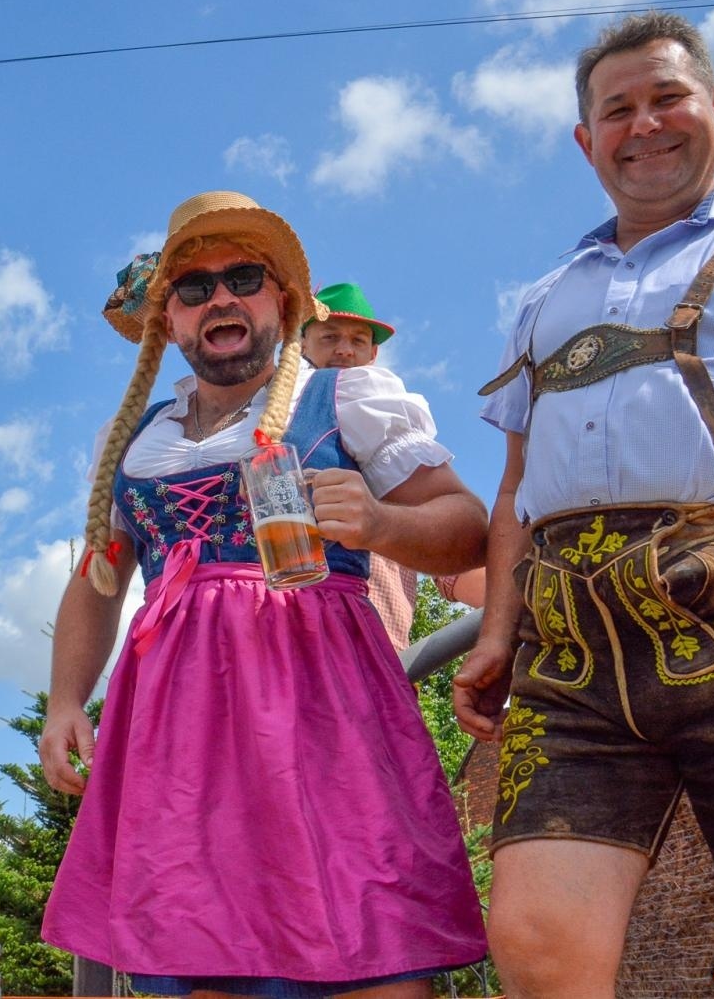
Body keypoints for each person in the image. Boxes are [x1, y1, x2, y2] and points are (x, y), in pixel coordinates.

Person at [453, 11, 714, 998]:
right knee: (537, 938)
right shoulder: (547, 297)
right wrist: (495, 633)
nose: (644, 125)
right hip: (571, 645)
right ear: (585, 140)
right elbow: (519, 484)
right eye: (617, 110)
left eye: (667, 97)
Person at [44, 192, 489, 995]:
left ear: (279, 301)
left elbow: (465, 526)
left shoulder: (343, 400)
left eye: (243, 277)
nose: (219, 297)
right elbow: (98, 580)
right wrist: (65, 700)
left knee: (374, 938)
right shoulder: (139, 441)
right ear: (169, 322)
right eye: (193, 287)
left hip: (327, 711)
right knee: (203, 948)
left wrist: (382, 522)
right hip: (178, 728)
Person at [302, 280, 485, 649]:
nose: (345, 350)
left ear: (372, 355)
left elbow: (461, 562)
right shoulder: (264, 414)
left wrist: (524, 606)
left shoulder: (379, 414)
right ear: (300, 342)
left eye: (358, 340)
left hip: (365, 648)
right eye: (330, 336)